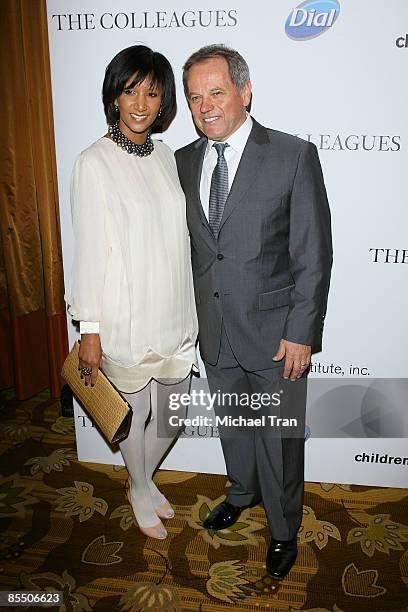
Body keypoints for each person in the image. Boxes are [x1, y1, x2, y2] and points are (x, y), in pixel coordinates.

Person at [175, 45, 332, 579]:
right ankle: (241, 493)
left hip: (275, 336)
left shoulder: (291, 155)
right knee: (235, 427)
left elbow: (313, 254)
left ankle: (285, 529)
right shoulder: (183, 161)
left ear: (245, 91)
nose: (205, 106)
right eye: (195, 97)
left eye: (216, 92)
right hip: (214, 330)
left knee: (280, 439)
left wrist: (302, 333)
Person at [66, 45, 198, 540]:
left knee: (176, 409)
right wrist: (91, 329)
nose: (141, 103)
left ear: (163, 100)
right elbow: (91, 255)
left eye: (152, 92)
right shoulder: (94, 162)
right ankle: (140, 487)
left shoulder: (164, 156)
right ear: (115, 97)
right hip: (126, 310)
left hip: (172, 309)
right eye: (130, 91)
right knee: (136, 412)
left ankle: (140, 479)